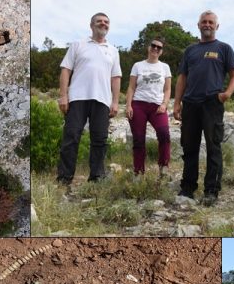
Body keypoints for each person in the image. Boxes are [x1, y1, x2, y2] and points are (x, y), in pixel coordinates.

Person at [173, 10, 234, 206]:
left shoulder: (224, 48)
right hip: (190, 104)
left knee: (213, 147)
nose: (207, 25)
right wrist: (177, 103)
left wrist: (227, 94)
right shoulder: (190, 50)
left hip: (213, 103)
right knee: (189, 147)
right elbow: (182, 78)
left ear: (216, 26)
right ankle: (187, 188)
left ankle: (211, 190)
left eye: (211, 22)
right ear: (198, 25)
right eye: (204, 22)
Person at [57, 12, 122, 185]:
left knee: (99, 139)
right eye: (99, 21)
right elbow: (65, 70)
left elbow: (116, 78)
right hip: (77, 97)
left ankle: (96, 177)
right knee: (71, 136)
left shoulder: (113, 51)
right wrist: (63, 96)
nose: (103, 24)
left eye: (106, 22)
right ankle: (64, 178)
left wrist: (115, 102)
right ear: (91, 25)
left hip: (102, 100)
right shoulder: (78, 44)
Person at [125, 37, 172, 177]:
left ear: (162, 51)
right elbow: (131, 87)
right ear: (148, 47)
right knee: (139, 139)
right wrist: (128, 105)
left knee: (164, 134)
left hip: (157, 106)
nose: (155, 49)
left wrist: (164, 104)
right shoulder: (138, 66)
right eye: (153, 46)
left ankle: (164, 167)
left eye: (159, 47)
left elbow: (168, 89)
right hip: (138, 104)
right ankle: (138, 172)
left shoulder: (165, 67)